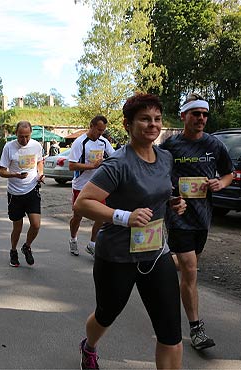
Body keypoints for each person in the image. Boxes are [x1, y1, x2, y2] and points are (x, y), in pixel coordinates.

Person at [75, 93, 186, 369]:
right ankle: (89, 346)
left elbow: (157, 192)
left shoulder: (165, 158)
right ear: (127, 124)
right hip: (117, 255)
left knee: (171, 332)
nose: (153, 125)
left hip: (156, 251)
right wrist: (125, 216)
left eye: (157, 119)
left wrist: (172, 202)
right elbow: (82, 203)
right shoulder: (118, 163)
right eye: (145, 119)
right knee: (106, 314)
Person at [160, 93, 233, 351]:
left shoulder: (214, 145)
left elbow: (228, 173)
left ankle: (159, 260)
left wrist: (220, 183)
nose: (201, 119)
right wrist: (168, 194)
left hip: (203, 217)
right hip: (178, 215)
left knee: (186, 266)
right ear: (184, 116)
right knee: (190, 271)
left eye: (204, 114)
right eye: (196, 114)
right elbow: (156, 171)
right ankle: (196, 329)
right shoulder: (170, 146)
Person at [68, 115, 115, 257]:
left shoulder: (104, 142)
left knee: (102, 215)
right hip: (81, 184)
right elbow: (71, 165)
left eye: (103, 130)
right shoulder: (80, 142)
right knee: (78, 216)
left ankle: (92, 244)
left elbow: (114, 158)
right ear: (92, 126)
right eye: (99, 129)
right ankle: (73, 239)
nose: (101, 133)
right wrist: (91, 166)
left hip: (98, 186)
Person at [0, 121, 44, 267]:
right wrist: (15, 175)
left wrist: (41, 174)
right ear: (15, 134)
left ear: (31, 134)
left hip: (32, 190)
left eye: (27, 137)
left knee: (36, 225)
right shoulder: (9, 147)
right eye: (20, 137)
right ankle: (13, 250)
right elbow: (1, 171)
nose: (24, 140)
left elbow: (40, 162)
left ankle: (27, 246)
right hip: (15, 193)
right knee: (17, 227)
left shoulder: (36, 146)